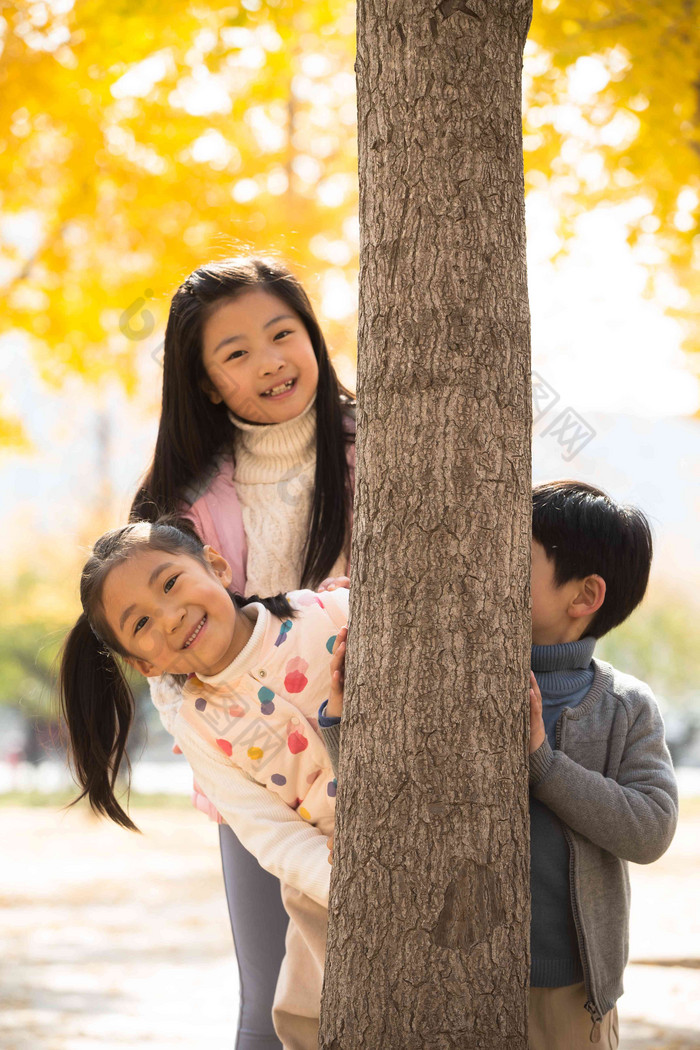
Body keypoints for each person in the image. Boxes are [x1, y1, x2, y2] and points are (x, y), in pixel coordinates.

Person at [319, 482, 678, 1050]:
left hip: (568, 987)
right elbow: (389, 801)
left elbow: (652, 828)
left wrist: (543, 763)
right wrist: (343, 718)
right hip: (448, 971)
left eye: (514, 556)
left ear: (584, 596)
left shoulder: (623, 706)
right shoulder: (454, 677)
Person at [130, 256, 355, 1050]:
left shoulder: (374, 450)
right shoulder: (183, 501)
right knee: (275, 999)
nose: (269, 361)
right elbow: (163, 656)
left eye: (282, 334)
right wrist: (215, 753)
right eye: (235, 353)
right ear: (205, 385)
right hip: (259, 768)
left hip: (381, 743)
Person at [59, 519, 349, 1050]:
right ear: (144, 663)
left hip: (414, 809)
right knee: (306, 1016)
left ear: (216, 566)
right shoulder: (197, 721)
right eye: (141, 622)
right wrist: (340, 881)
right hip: (325, 866)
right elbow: (263, 828)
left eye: (170, 584)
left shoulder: (325, 612)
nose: (170, 617)